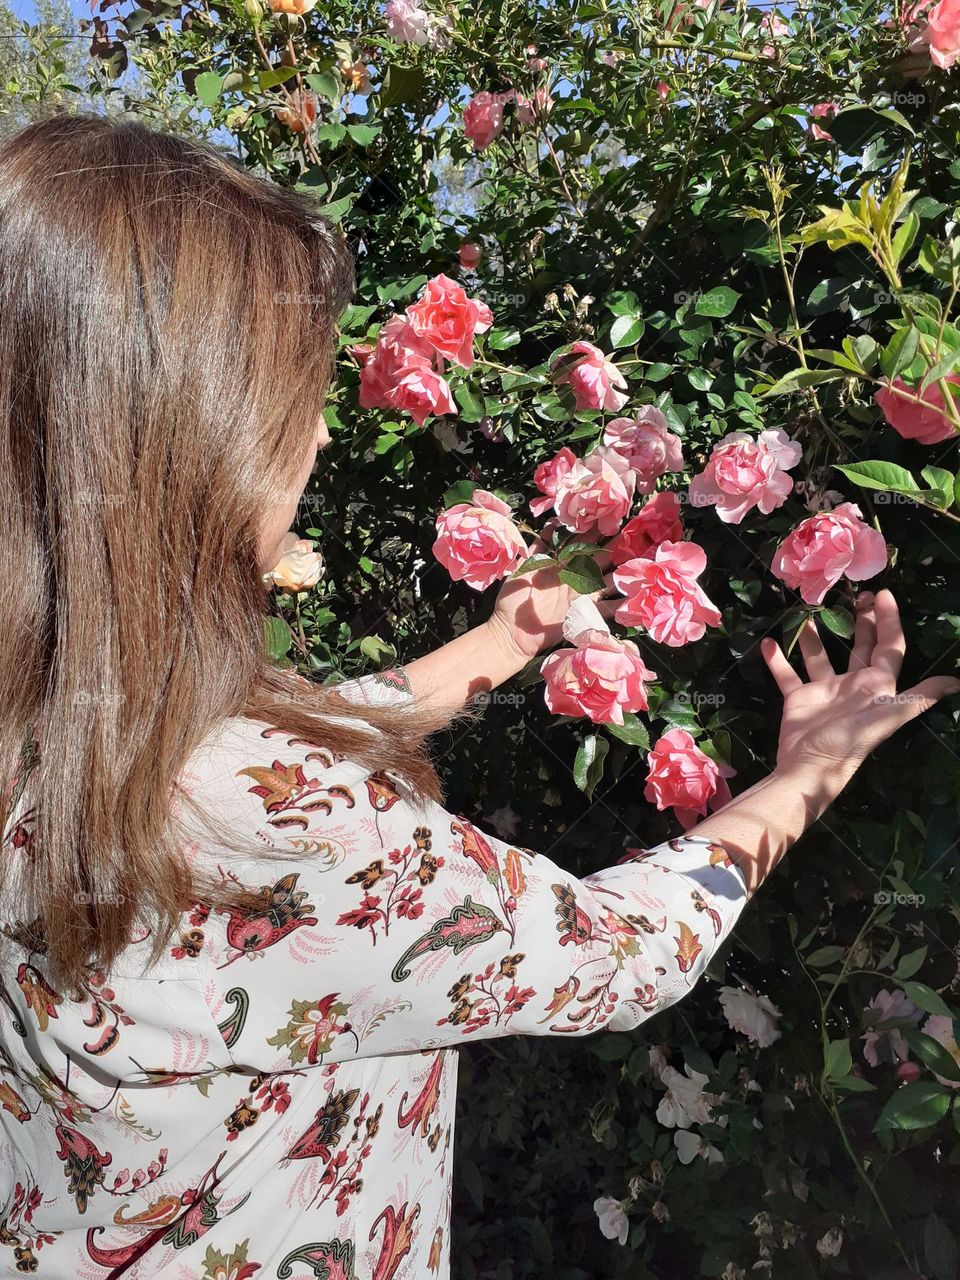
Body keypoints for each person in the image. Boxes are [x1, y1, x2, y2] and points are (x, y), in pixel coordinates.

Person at [0, 113, 955, 1280]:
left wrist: (500, 641)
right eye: (289, 393)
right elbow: (622, 953)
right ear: (186, 436)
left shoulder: (58, 716)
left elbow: (246, 751)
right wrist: (811, 771)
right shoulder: (298, 830)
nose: (313, 427)